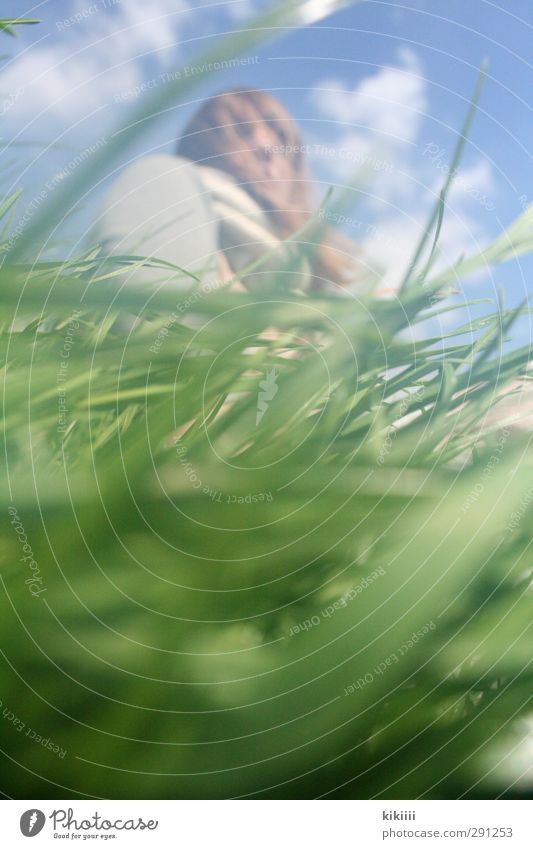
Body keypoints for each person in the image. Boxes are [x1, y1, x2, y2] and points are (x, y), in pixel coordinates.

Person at [89, 87, 361, 296]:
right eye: (242, 132)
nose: (267, 146)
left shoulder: (322, 277)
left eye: (281, 137)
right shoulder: (167, 185)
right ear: (206, 147)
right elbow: (152, 332)